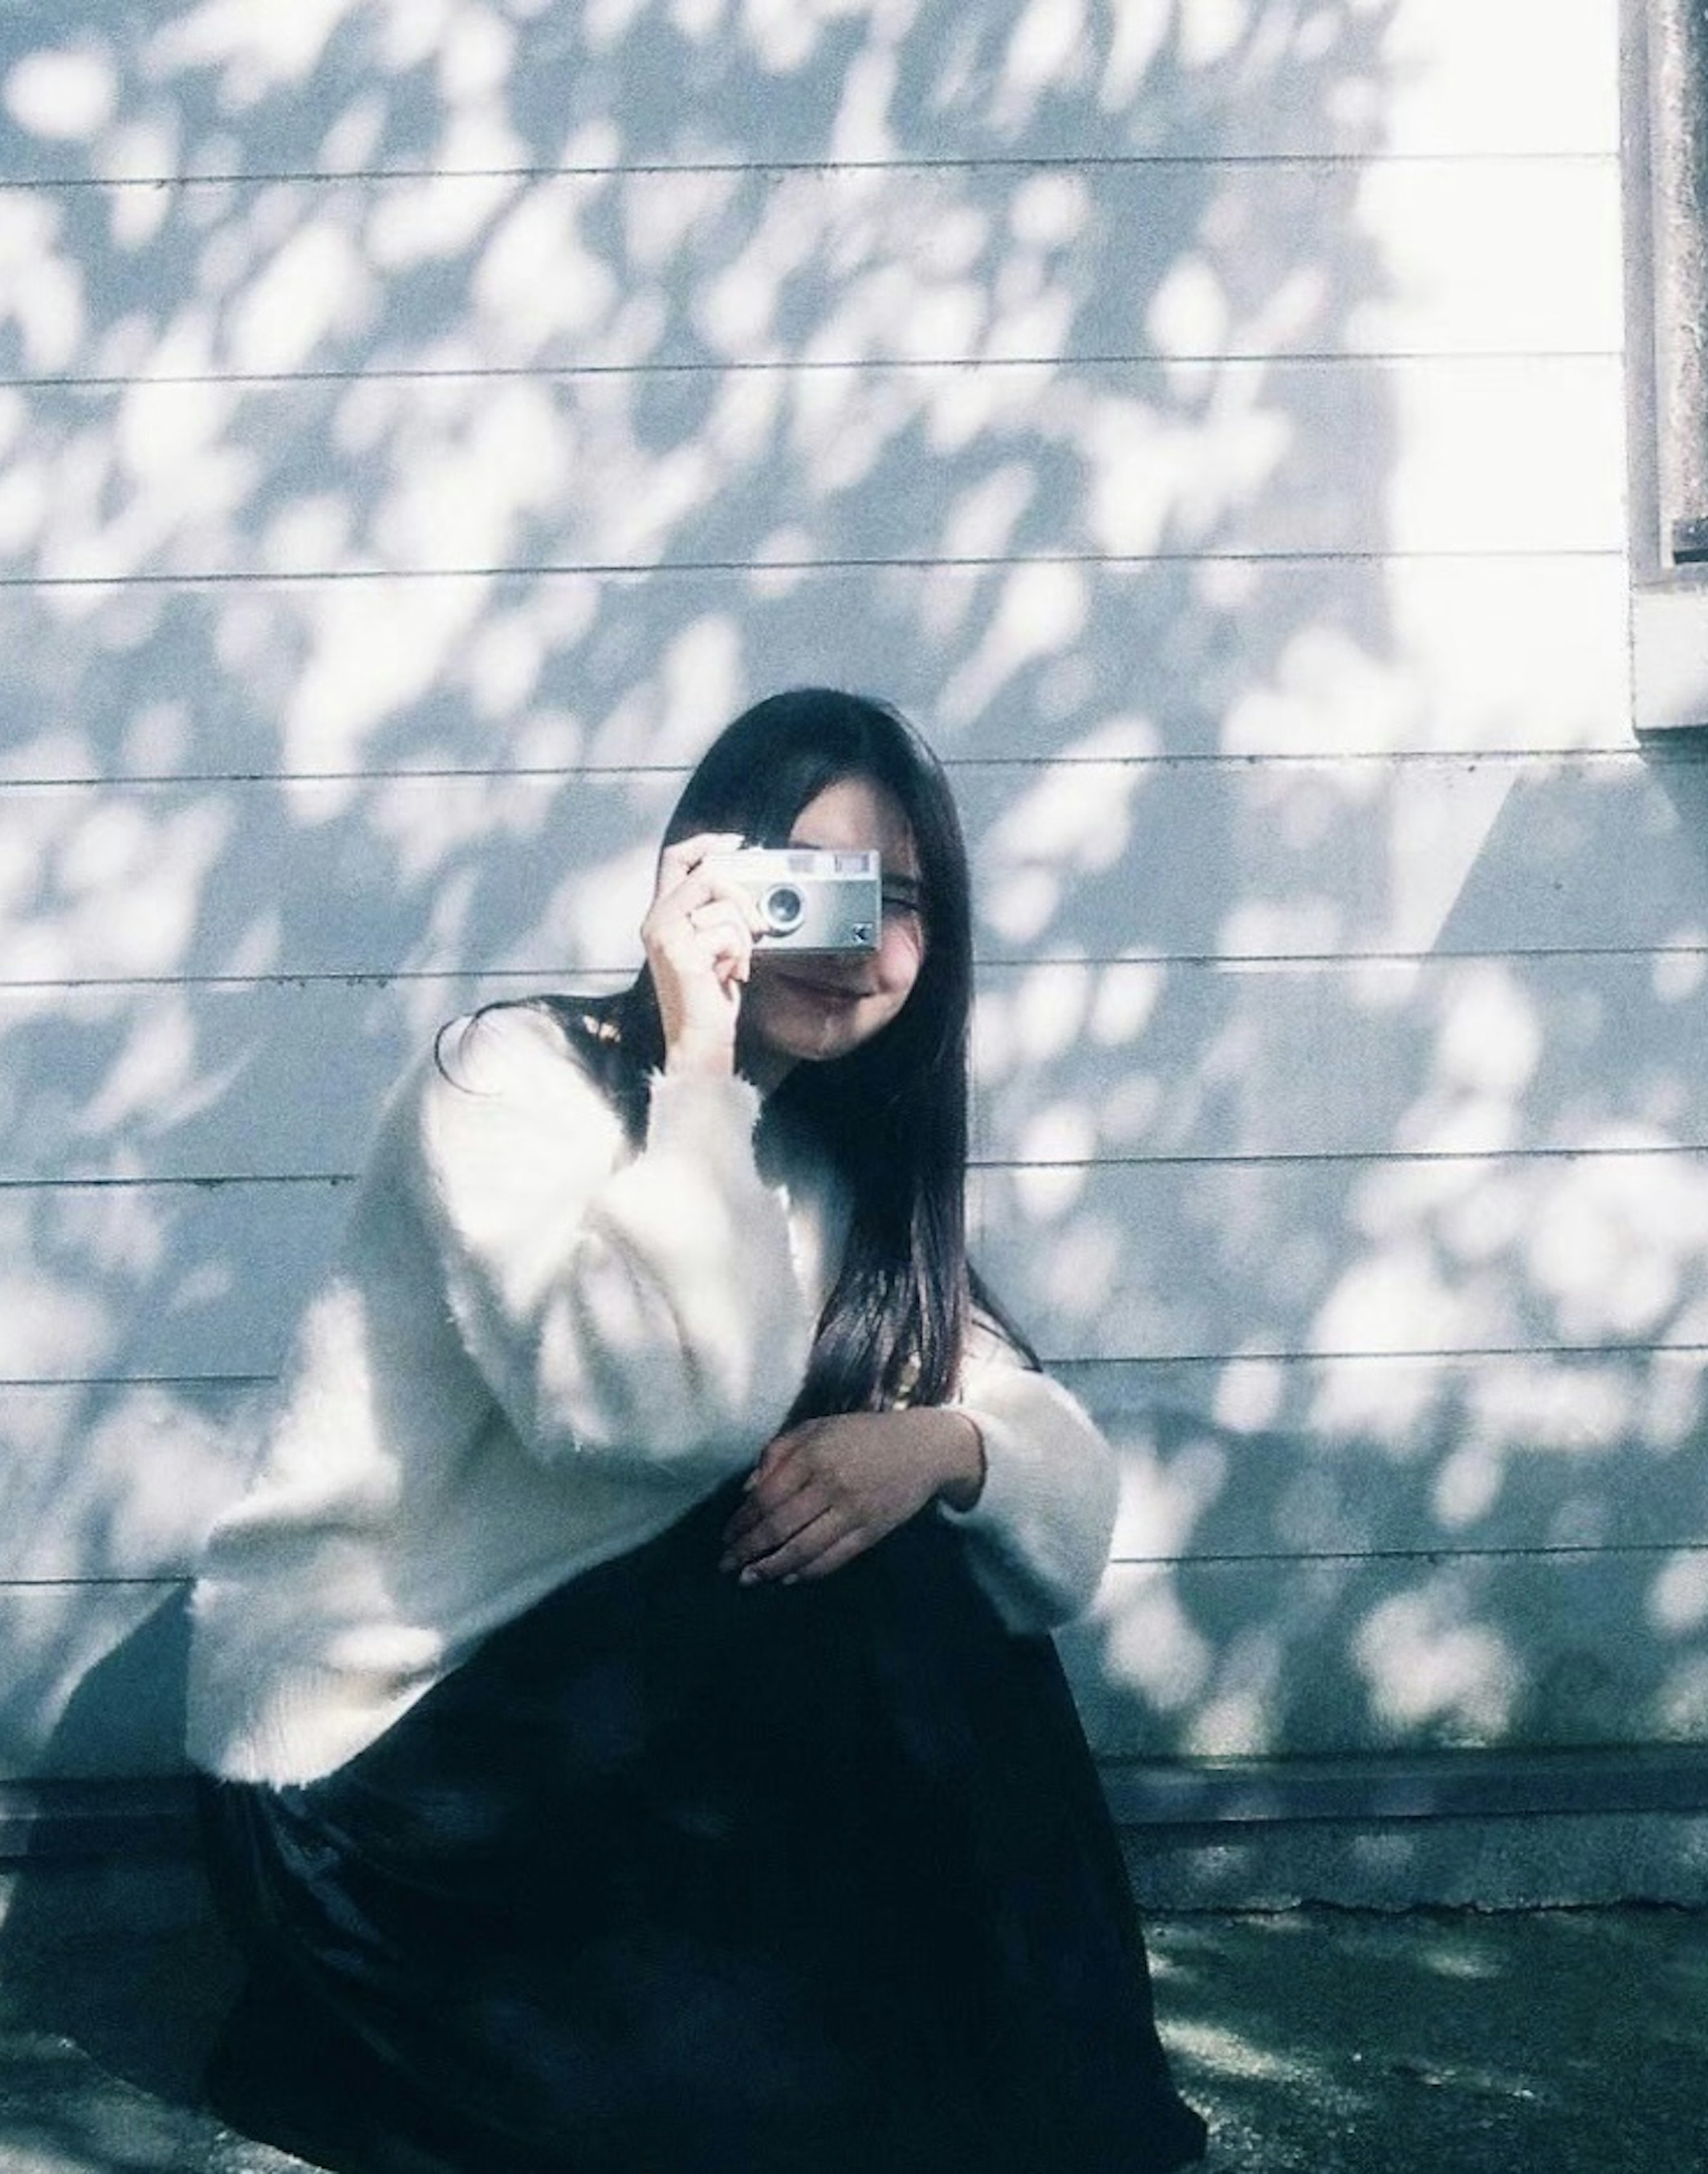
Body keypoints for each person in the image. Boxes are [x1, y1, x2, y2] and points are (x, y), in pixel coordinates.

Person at [183, 688, 1210, 2174]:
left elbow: (1058, 1525)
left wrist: (941, 1448)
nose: (851, 942)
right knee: (852, 1593)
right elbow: (651, 1413)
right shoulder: (509, 1082)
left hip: (579, 1747)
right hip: (359, 1777)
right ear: (700, 885)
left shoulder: (838, 1168)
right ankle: (356, 2031)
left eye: (896, 904)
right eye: (802, 885)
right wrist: (701, 1061)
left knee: (917, 1544)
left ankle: (1084, 2117)